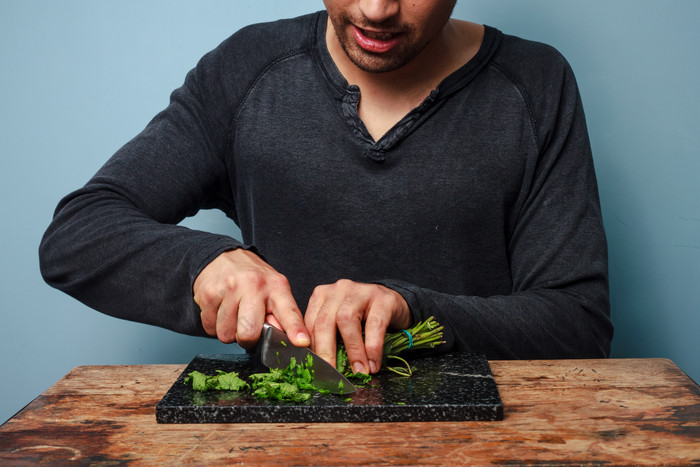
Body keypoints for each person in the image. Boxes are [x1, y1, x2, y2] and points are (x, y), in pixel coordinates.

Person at [39, 0, 613, 375]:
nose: (375, 10)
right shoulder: (248, 69)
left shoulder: (537, 83)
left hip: (476, 443)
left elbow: (578, 324)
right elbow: (77, 235)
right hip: (283, 435)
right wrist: (203, 265)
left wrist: (412, 308)